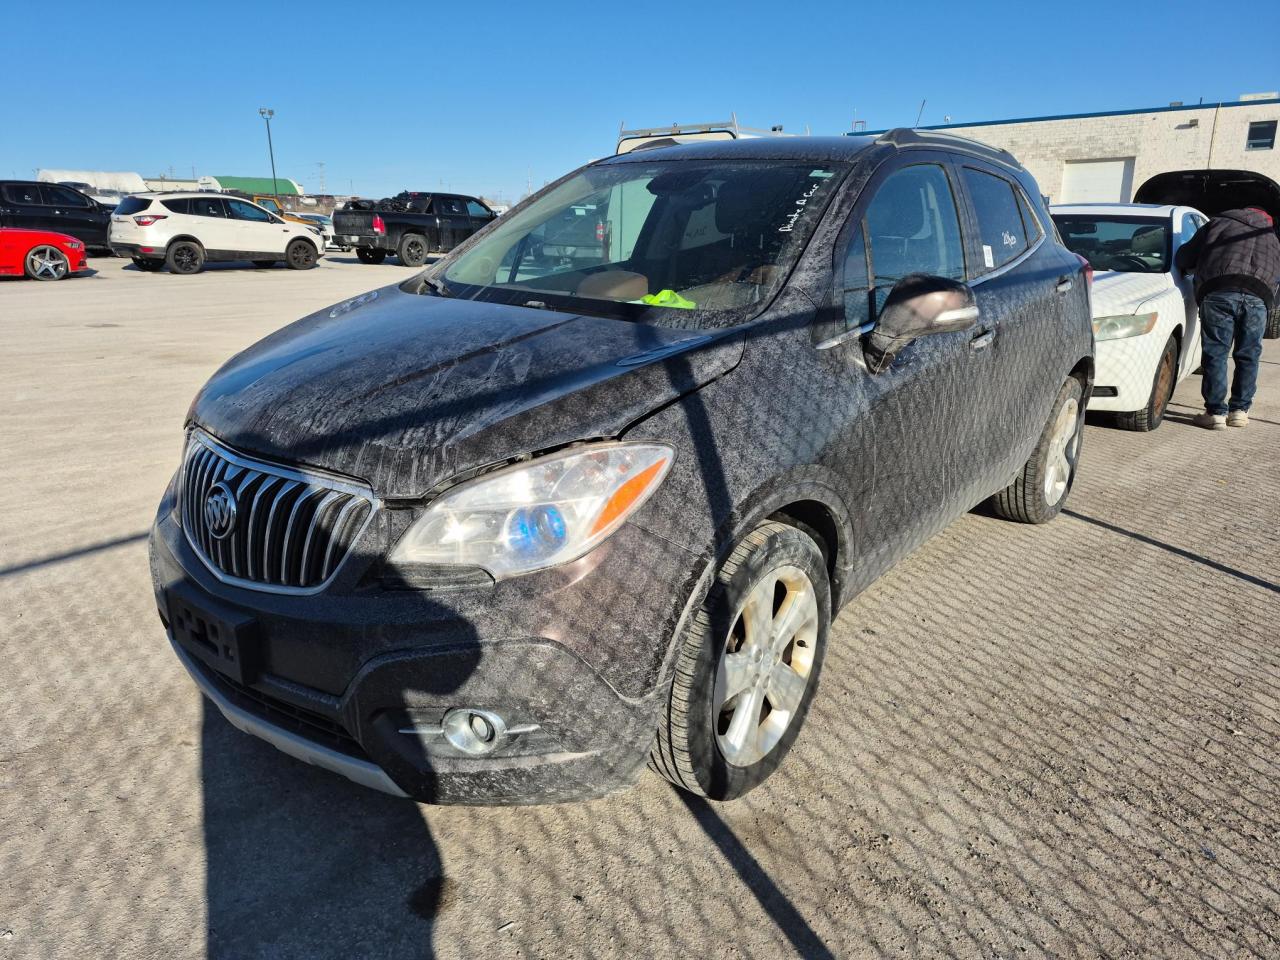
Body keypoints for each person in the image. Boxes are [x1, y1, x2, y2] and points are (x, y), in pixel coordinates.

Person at [1176, 206, 1280, 429]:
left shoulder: (1216, 224)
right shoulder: (1271, 237)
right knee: (1249, 355)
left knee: (1216, 352)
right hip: (1258, 297)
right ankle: (1239, 412)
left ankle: (1215, 413)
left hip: (1219, 291)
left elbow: (1184, 257)